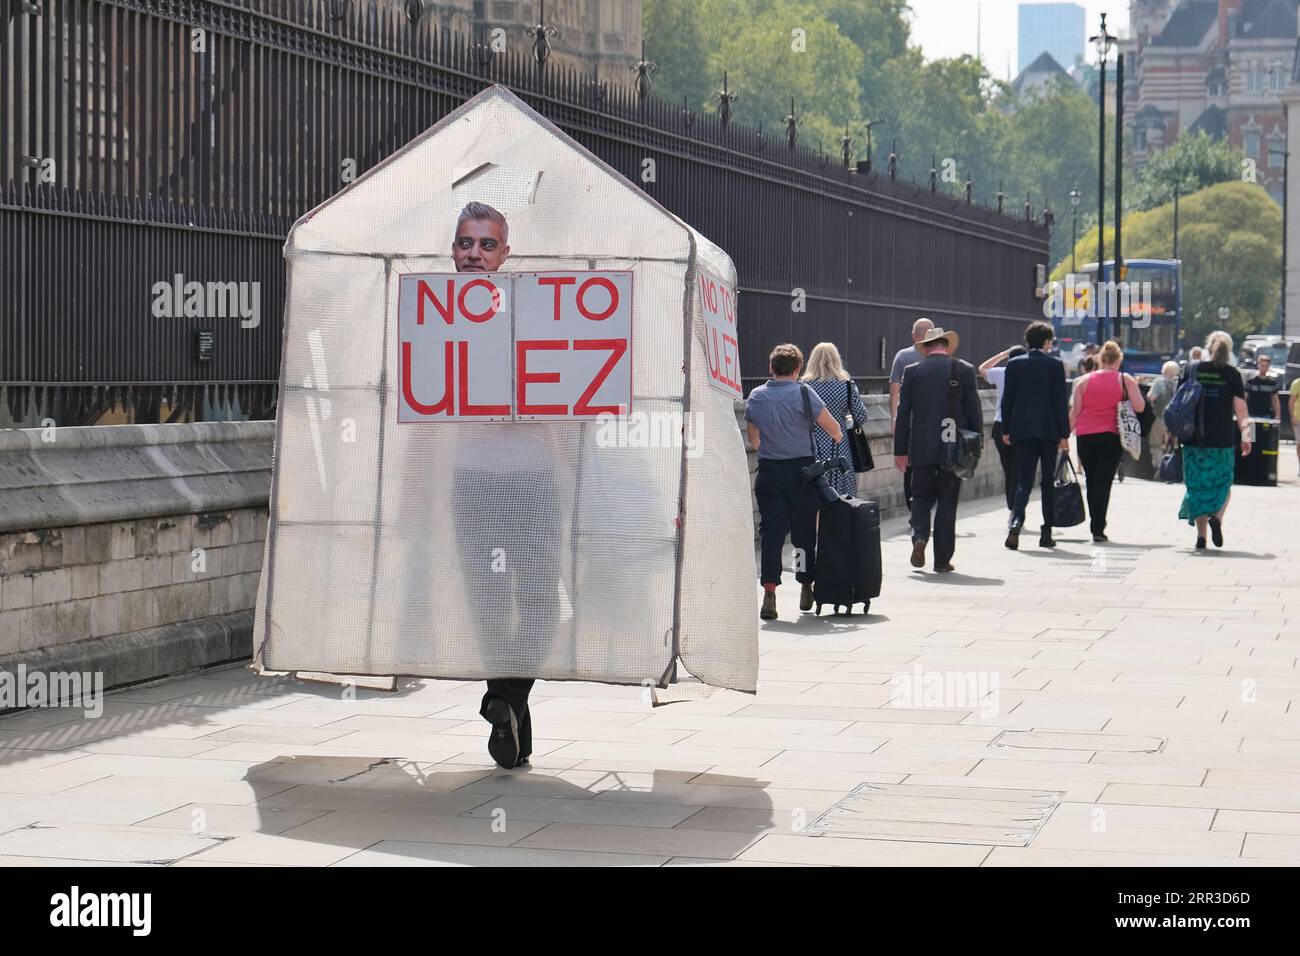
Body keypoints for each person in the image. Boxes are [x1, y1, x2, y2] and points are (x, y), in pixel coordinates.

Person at [746, 343, 843, 620]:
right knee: (803, 533)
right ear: (798, 368)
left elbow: (754, 440)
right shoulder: (804, 392)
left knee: (771, 533)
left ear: (771, 368)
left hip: (769, 473)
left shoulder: (756, 396)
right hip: (803, 473)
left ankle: (769, 591)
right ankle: (805, 585)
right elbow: (833, 429)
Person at [893, 327, 982, 573]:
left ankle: (919, 536)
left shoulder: (912, 372)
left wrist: (900, 450)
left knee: (920, 496)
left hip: (920, 448)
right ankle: (942, 560)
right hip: (952, 447)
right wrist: (977, 444)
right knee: (947, 501)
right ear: (946, 346)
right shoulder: (962, 370)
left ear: (926, 348)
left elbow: (903, 415)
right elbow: (974, 410)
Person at [1000, 321, 1070, 550]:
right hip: (1048, 431)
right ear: (1047, 342)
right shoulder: (1055, 365)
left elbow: (1007, 400)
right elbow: (1060, 402)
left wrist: (1006, 429)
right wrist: (1064, 433)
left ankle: (1016, 521)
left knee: (1023, 479)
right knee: (1047, 480)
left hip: (1022, 429)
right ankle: (1046, 531)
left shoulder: (1015, 364)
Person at [1178, 331, 1250, 550]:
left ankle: (1201, 537)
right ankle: (1217, 518)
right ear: (1229, 352)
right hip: (1222, 440)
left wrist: (1171, 433)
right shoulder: (1232, 374)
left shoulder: (1190, 370)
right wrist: (1247, 437)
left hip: (1193, 439)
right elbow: (1241, 409)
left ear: (1208, 348)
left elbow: (1179, 405)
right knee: (1223, 483)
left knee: (1196, 486)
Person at [1070, 341, 1147, 543]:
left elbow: (1075, 413)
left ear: (1100, 359)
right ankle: (1098, 527)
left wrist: (1063, 436)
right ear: (1119, 359)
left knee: (1091, 480)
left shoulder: (1083, 382)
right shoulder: (1125, 379)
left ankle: (1095, 521)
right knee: (1103, 482)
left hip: (1085, 437)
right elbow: (1139, 407)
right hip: (1110, 436)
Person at [803, 342, 869, 497]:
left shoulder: (804, 386)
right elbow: (861, 416)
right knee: (843, 495)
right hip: (840, 445)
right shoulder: (846, 385)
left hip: (811, 447)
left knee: (814, 492)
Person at [890, 318, 935, 513]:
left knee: (909, 468)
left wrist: (894, 418)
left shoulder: (903, 356)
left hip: (909, 423)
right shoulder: (939, 357)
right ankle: (923, 507)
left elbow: (894, 390)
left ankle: (914, 508)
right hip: (933, 422)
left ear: (913, 335)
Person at [978, 344, 1027, 518]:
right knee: (1021, 469)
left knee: (1009, 469)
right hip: (1023, 426)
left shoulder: (1002, 373)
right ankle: (1018, 505)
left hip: (1001, 424)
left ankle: (1012, 506)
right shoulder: (1028, 374)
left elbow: (982, 368)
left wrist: (1001, 354)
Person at [1146, 360, 1180, 468]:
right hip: (1174, 419)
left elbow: (1151, 397)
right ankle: (1170, 467)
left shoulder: (1159, 382)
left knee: (1156, 444)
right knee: (1171, 444)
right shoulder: (1179, 383)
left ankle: (1160, 468)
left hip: (1159, 416)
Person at [1243, 354, 1283, 421]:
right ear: (1258, 365)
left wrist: (1278, 415)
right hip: (1252, 415)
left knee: (1266, 431)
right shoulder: (1250, 383)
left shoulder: (1272, 384)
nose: (1264, 368)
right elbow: (1244, 398)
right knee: (1252, 431)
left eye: (1266, 366)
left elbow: (1275, 400)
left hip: (1266, 416)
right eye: (1262, 366)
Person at [1291, 376, 1300, 476]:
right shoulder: (1297, 383)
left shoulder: (1271, 384)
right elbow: (1292, 401)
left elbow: (1274, 399)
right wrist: (1293, 416)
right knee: (1299, 443)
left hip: (1267, 416)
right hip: (1298, 418)